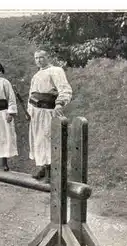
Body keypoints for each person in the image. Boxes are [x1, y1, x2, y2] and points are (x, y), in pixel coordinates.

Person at [27, 50, 72, 182]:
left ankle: (50, 172)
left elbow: (65, 89)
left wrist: (60, 103)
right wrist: (30, 111)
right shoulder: (36, 75)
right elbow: (31, 95)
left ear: (48, 57)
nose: (39, 60)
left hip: (48, 111)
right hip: (37, 112)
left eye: (42, 57)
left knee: (48, 140)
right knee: (39, 140)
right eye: (36, 58)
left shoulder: (56, 71)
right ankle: (42, 167)